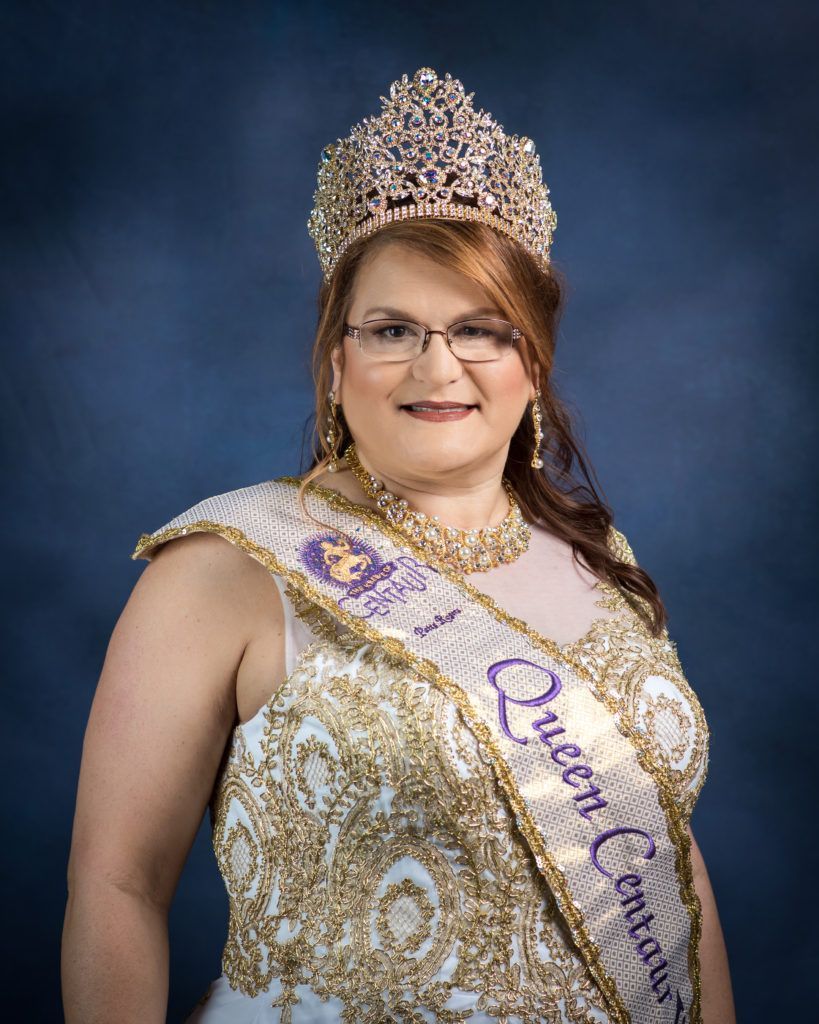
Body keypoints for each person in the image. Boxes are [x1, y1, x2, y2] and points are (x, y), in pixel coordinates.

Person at [62, 67, 735, 1024]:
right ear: (336, 363)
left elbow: (657, 857)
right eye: (392, 330)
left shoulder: (596, 556)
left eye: (480, 330)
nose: (437, 367)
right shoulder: (228, 565)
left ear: (531, 366)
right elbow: (117, 888)